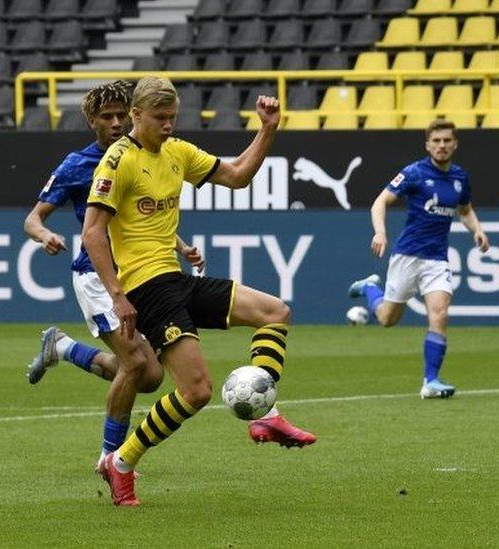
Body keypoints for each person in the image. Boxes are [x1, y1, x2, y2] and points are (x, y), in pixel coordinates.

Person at [82, 76, 316, 506]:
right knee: (196, 391)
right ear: (136, 115)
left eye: (173, 118)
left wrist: (267, 129)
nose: (169, 125)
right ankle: (121, 464)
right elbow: (93, 232)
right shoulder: (118, 161)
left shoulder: (178, 152)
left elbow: (239, 175)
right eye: (160, 118)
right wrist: (117, 294)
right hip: (146, 288)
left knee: (275, 311)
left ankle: (264, 414)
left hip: (175, 279)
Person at [23, 81, 205, 469]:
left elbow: (142, 216)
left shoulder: (145, 157)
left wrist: (180, 246)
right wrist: (46, 235)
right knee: (137, 364)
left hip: (141, 274)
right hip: (96, 277)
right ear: (92, 121)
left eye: (122, 115)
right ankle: (111, 457)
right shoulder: (77, 165)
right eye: (107, 117)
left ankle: (63, 348)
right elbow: (32, 219)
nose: (117, 122)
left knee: (150, 376)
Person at [348, 118, 490, 399]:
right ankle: (369, 287)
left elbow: (465, 210)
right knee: (387, 319)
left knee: (439, 314)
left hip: (437, 260)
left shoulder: (460, 177)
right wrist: (380, 232)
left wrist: (478, 230)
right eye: (436, 141)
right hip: (408, 256)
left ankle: (431, 381)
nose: (441, 146)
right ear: (427, 145)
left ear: (455, 144)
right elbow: (381, 201)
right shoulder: (414, 173)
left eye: (447, 140)